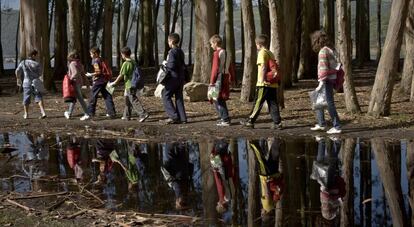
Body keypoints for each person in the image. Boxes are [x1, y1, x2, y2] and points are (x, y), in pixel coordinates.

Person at [240, 34, 282, 130]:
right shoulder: (270, 53)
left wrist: (262, 80)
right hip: (272, 84)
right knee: (273, 103)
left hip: (264, 84)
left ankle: (250, 121)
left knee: (258, 102)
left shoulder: (262, 53)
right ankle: (278, 123)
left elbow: (263, 67)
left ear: (258, 44)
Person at [310, 30, 342, 134]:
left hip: (326, 80)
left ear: (317, 40)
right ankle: (321, 123)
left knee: (329, 103)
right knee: (318, 101)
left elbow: (323, 68)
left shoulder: (323, 52)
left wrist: (321, 82)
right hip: (330, 79)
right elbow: (337, 65)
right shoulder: (330, 49)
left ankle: (337, 126)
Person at [109, 47, 149, 122]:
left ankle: (143, 114)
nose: (121, 56)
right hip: (134, 83)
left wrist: (114, 83)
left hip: (129, 85)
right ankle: (126, 115)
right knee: (128, 99)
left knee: (133, 99)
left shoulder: (126, 64)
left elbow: (121, 75)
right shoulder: (133, 62)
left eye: (121, 54)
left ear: (123, 54)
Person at [310, 136, 345, 221]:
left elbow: (325, 194)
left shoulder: (333, 201)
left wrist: (330, 193)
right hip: (329, 180)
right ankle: (336, 142)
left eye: (324, 209)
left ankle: (322, 142)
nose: (325, 208)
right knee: (329, 160)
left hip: (324, 181)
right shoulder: (336, 200)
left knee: (321, 161)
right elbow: (328, 194)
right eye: (326, 210)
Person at [249, 138, 284, 221]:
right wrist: (266, 183)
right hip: (266, 177)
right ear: (264, 213)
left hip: (274, 176)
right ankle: (253, 143)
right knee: (260, 159)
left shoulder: (273, 206)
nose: (261, 211)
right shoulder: (266, 206)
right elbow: (267, 194)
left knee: (273, 159)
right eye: (261, 213)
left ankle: (277, 141)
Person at [81, 47, 116, 120]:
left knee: (92, 96)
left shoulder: (95, 61)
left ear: (95, 54)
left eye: (91, 54)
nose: (90, 55)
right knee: (107, 96)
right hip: (105, 80)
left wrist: (91, 74)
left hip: (98, 81)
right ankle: (112, 113)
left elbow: (98, 72)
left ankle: (90, 113)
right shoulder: (101, 59)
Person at [161, 33, 187, 124]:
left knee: (165, 94)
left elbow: (171, 65)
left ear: (171, 41)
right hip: (181, 77)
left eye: (168, 41)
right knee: (179, 97)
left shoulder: (172, 51)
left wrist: (165, 63)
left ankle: (173, 116)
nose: (168, 43)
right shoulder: (180, 51)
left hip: (173, 77)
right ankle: (182, 118)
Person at [15, 49, 47, 119]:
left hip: (26, 83)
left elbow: (17, 71)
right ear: (33, 55)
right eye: (36, 55)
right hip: (35, 83)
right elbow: (40, 73)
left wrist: (18, 78)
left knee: (26, 98)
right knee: (39, 97)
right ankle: (43, 112)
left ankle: (26, 114)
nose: (37, 56)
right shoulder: (37, 64)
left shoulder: (23, 62)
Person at [161, 142, 193, 210]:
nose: (184, 201)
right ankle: (170, 139)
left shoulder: (186, 193)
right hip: (176, 170)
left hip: (184, 170)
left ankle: (180, 139)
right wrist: (171, 183)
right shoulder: (179, 194)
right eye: (178, 203)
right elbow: (176, 184)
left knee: (181, 150)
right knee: (169, 152)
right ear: (178, 202)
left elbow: (188, 180)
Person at [209, 35, 232, 127]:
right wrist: (232, 77)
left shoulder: (216, 53)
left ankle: (225, 119)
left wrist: (212, 82)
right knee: (218, 97)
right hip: (225, 76)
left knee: (217, 98)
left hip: (219, 77)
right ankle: (223, 117)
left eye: (211, 44)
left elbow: (215, 69)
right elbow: (231, 66)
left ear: (215, 43)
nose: (211, 46)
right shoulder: (227, 52)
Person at [64, 51, 90, 119]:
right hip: (79, 82)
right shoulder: (79, 63)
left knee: (80, 99)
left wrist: (70, 78)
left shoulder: (72, 64)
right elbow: (83, 74)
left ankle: (87, 113)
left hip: (74, 83)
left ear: (71, 57)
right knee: (73, 99)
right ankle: (69, 113)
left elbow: (75, 73)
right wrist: (87, 82)